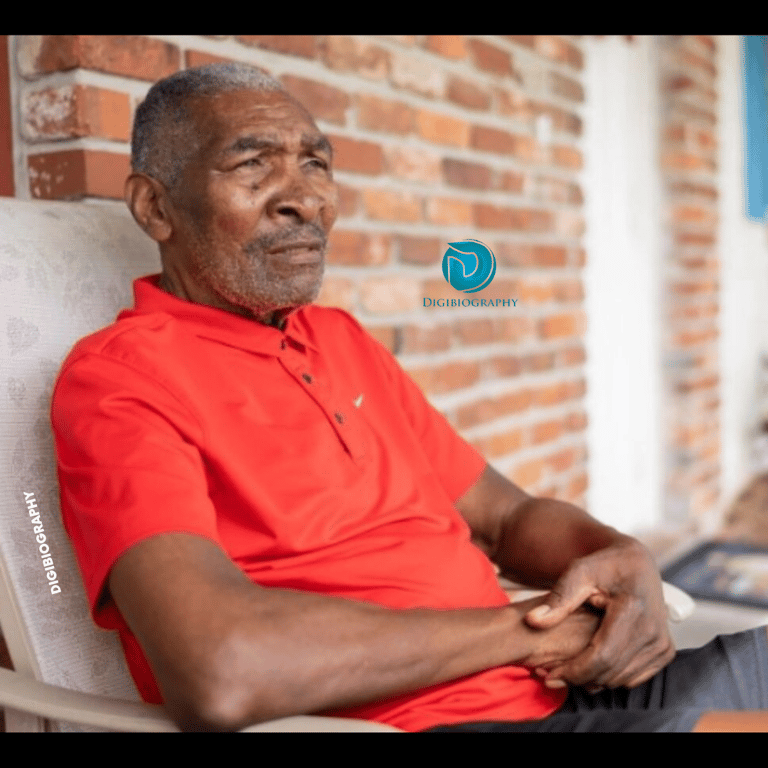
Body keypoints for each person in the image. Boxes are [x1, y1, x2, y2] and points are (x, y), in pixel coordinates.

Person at [51, 63, 768, 733]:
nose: (305, 199)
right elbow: (220, 667)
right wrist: (535, 628)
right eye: (251, 164)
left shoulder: (335, 339)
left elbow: (506, 518)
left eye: (316, 163)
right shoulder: (120, 382)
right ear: (154, 206)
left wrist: (622, 556)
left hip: (562, 694)